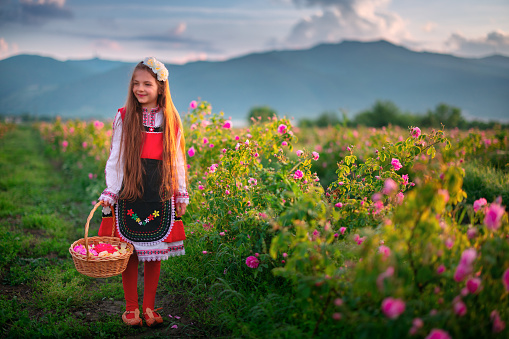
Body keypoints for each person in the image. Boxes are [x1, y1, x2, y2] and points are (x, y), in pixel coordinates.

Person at [97, 56, 189, 327]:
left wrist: (181, 192)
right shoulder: (125, 116)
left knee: (153, 250)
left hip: (159, 190)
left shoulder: (171, 118)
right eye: (136, 83)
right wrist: (111, 190)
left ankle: (149, 307)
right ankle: (131, 308)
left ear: (161, 87)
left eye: (147, 84)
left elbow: (177, 159)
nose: (140, 89)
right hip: (131, 188)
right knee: (131, 251)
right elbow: (116, 157)